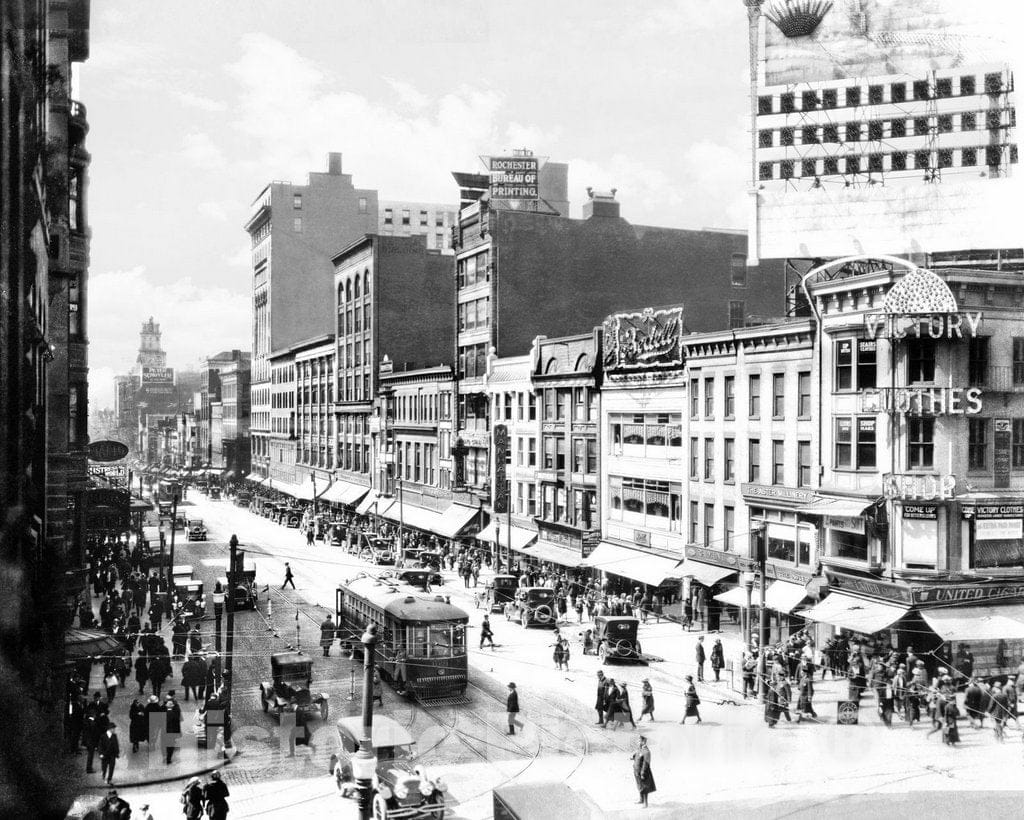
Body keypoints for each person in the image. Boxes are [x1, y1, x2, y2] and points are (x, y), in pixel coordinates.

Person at [631, 735, 656, 808]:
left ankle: (645, 803)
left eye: (639, 741)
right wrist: (633, 757)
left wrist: (643, 773)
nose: (638, 742)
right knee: (639, 785)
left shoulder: (646, 751)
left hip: (643, 772)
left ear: (643, 741)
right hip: (637, 770)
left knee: (644, 787)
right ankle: (641, 799)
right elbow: (637, 755)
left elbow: (646, 763)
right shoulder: (640, 749)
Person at [164, 691, 182, 764]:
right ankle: (169, 758)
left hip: (166, 731)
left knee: (168, 744)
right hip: (172, 730)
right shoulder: (174, 710)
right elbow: (177, 716)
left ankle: (168, 756)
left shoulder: (165, 710)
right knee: (170, 745)